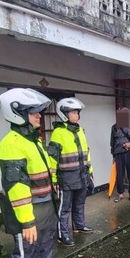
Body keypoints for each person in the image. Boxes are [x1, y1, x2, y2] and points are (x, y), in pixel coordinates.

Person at [0, 88, 65, 258]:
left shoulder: (33, 141)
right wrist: (27, 221)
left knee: (45, 252)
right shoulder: (12, 144)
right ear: (18, 113)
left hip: (46, 209)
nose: (39, 116)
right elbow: (16, 186)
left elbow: (46, 174)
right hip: (30, 213)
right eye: (34, 112)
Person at [48, 97, 94, 247]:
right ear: (64, 114)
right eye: (73, 112)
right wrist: (54, 179)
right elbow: (52, 158)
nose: (77, 115)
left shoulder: (80, 130)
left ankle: (78, 225)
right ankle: (62, 235)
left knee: (80, 203)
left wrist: (90, 171)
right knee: (65, 207)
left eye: (77, 112)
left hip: (82, 175)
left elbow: (86, 152)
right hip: (66, 177)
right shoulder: (58, 133)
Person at [110, 107, 130, 203]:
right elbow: (112, 142)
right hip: (118, 153)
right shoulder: (114, 127)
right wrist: (113, 156)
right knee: (119, 174)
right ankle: (120, 194)